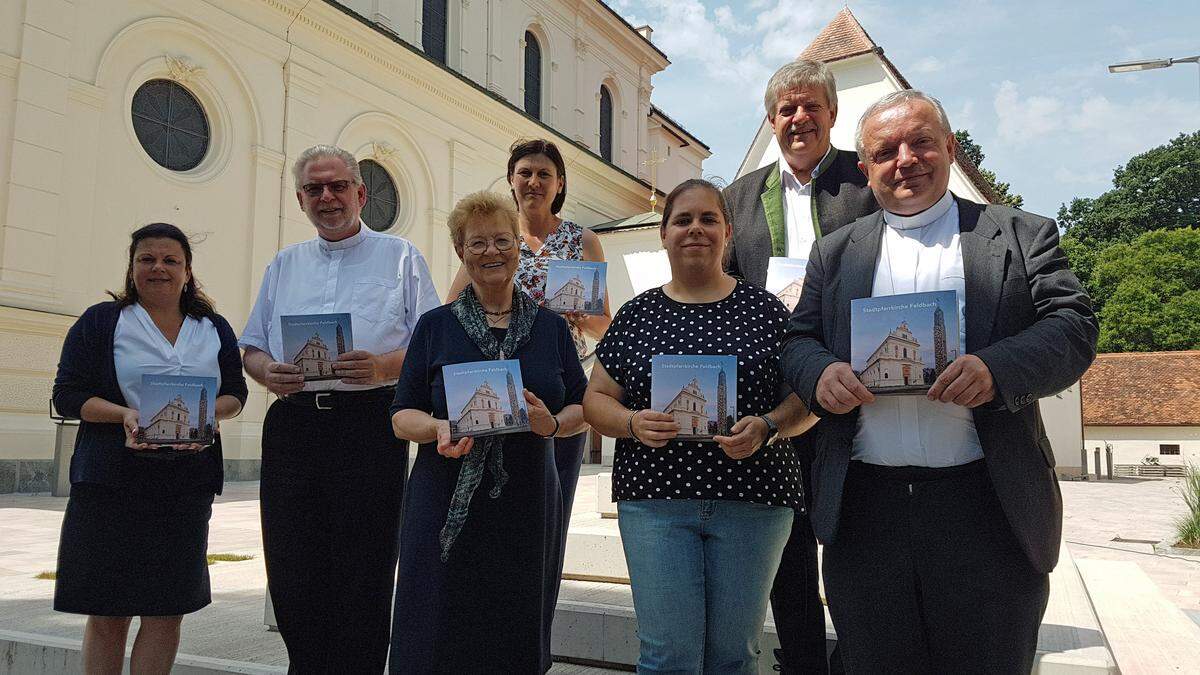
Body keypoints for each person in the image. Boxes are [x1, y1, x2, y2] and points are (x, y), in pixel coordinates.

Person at [781, 90, 1098, 674]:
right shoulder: (834, 252)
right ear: (865, 167)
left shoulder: (1020, 233)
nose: (906, 159)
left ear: (949, 148)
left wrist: (996, 368)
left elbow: (1074, 328)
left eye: (921, 141)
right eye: (885, 151)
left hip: (986, 507)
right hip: (865, 513)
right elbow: (797, 341)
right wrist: (820, 373)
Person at [584, 179, 816, 674]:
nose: (695, 229)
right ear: (663, 234)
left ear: (727, 233)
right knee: (668, 656)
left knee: (736, 656)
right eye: (682, 219)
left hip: (753, 502)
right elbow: (595, 400)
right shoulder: (637, 314)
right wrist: (630, 422)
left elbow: (808, 399)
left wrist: (769, 425)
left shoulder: (766, 310)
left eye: (708, 219)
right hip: (656, 505)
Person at [239, 145, 439, 673]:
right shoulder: (284, 264)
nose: (326, 197)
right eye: (313, 189)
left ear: (360, 193)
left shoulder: (401, 258)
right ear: (301, 199)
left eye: (337, 186)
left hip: (369, 424)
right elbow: (253, 347)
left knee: (366, 566)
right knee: (292, 563)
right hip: (295, 425)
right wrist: (268, 373)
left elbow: (431, 346)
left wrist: (381, 368)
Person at [388, 190, 587, 673]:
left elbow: (584, 405)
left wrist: (554, 423)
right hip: (444, 490)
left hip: (525, 497)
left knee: (513, 619)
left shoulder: (551, 328)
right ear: (460, 252)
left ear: (519, 248)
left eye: (502, 240)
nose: (491, 252)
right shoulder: (435, 326)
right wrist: (438, 427)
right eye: (477, 244)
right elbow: (400, 416)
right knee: (436, 618)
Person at [722, 57, 877, 674]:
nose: (799, 118)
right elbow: (726, 285)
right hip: (771, 394)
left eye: (812, 106)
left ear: (832, 115)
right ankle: (805, 661)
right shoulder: (737, 195)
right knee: (785, 544)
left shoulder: (866, 185)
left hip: (849, 385)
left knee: (851, 532)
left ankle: (862, 653)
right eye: (787, 108)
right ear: (771, 119)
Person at [52, 223, 248, 675]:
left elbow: (236, 393)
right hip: (110, 482)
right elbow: (67, 394)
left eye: (170, 260)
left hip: (184, 485)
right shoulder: (102, 321)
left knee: (166, 607)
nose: (158, 268)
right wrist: (123, 414)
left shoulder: (212, 327)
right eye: (147, 259)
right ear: (132, 266)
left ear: (187, 270)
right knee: (107, 608)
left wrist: (206, 415)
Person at [445, 138, 611, 655]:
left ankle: (532, 647)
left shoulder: (581, 240)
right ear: (511, 181)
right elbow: (449, 308)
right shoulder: (493, 237)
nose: (534, 181)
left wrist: (584, 318)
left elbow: (607, 322)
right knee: (490, 526)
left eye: (545, 173)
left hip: (557, 400)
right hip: (491, 397)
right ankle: (486, 640)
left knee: (546, 527)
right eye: (524, 172)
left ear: (560, 184)